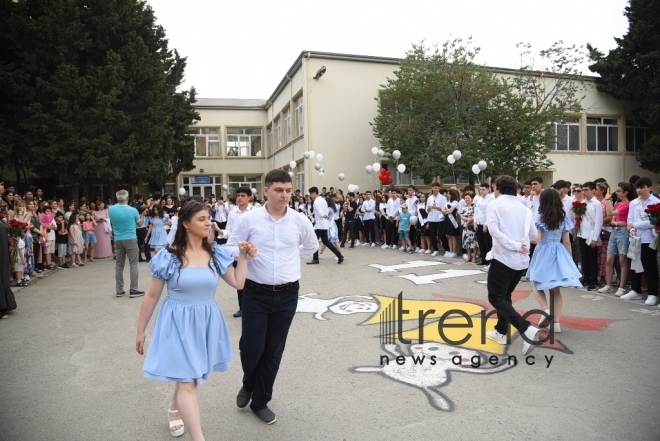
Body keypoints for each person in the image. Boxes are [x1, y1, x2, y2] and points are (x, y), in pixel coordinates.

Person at [136, 201, 254, 441]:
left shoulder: (215, 253)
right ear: (186, 224)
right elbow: (151, 295)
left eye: (209, 218)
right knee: (188, 381)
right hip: (176, 322)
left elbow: (238, 283)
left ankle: (174, 408)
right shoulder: (169, 256)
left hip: (205, 323)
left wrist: (243, 256)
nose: (208, 222)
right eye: (202, 219)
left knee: (189, 376)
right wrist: (141, 331)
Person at [227, 169, 318, 424]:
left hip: (288, 294)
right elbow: (228, 248)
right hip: (256, 293)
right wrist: (243, 249)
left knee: (274, 350)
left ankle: (260, 400)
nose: (285, 195)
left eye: (288, 190)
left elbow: (310, 247)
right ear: (265, 190)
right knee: (251, 348)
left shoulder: (299, 220)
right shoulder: (250, 220)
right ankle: (248, 383)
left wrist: (289, 258)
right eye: (279, 190)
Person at [485, 175, 540, 355]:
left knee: (496, 297)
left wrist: (515, 245)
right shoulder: (524, 208)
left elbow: (494, 231)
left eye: (494, 188)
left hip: (504, 257)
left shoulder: (495, 204)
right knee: (504, 296)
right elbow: (532, 235)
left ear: (498, 188)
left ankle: (525, 328)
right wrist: (520, 244)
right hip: (521, 260)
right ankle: (501, 331)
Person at [527, 190, 582, 333]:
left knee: (537, 284)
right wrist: (569, 261)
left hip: (543, 251)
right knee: (555, 289)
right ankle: (556, 324)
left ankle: (545, 310)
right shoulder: (563, 218)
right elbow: (567, 242)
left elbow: (536, 239)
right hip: (559, 251)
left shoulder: (538, 217)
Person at [216, 187, 256, 318]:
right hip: (238, 251)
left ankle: (255, 306)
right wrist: (220, 231)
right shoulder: (233, 213)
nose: (239, 198)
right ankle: (242, 307)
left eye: (243, 195)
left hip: (252, 250)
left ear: (249, 197)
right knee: (240, 279)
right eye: (238, 195)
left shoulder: (256, 212)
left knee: (255, 279)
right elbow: (230, 232)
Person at [623, 177, 659, 304]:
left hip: (649, 238)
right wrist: (631, 229)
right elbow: (630, 220)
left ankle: (652, 293)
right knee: (634, 265)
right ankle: (635, 290)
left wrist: (635, 225)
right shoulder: (634, 203)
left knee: (650, 266)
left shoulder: (655, 202)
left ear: (649, 188)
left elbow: (652, 222)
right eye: (637, 188)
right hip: (635, 238)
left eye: (642, 187)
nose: (639, 190)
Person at [109, 190, 146, 298]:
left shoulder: (111, 209)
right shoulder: (132, 210)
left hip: (118, 238)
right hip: (130, 238)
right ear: (128, 198)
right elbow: (139, 223)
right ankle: (133, 289)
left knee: (119, 265)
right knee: (133, 264)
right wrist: (142, 215)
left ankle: (119, 290)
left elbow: (112, 221)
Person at [599, 183, 633, 296]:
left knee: (622, 260)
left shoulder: (628, 204)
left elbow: (610, 213)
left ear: (625, 192)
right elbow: (612, 219)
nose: (617, 193)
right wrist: (617, 222)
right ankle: (609, 285)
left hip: (623, 232)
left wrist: (608, 201)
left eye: (619, 191)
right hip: (615, 231)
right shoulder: (618, 203)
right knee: (609, 260)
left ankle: (622, 287)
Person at [577, 182, 603, 291]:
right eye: (583, 190)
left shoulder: (596, 204)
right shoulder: (583, 203)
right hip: (582, 233)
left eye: (586, 190)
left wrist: (595, 238)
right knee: (584, 257)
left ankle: (594, 281)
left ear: (593, 191)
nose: (584, 192)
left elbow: (598, 222)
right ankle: (586, 278)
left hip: (591, 234)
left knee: (592, 259)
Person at [308, 186, 343, 265]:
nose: (310, 195)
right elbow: (326, 209)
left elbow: (320, 213)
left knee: (314, 241)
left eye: (310, 193)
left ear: (314, 193)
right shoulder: (323, 200)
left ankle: (315, 259)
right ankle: (339, 255)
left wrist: (324, 216)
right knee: (326, 241)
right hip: (325, 224)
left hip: (320, 224)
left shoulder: (316, 202)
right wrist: (326, 216)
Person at [0, 217, 18, 319]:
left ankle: (5, 305)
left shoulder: (2, 222)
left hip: (3, 253)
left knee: (3, 277)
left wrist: (10, 239)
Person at [426, 183, 447, 256]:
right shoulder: (429, 198)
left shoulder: (443, 198)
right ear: (432, 188)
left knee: (441, 235)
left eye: (438, 188)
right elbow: (427, 210)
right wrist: (429, 208)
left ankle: (446, 249)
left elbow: (444, 209)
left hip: (439, 218)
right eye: (435, 188)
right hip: (431, 218)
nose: (436, 189)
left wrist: (437, 208)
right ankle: (435, 249)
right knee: (432, 235)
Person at [460, 194, 478, 263]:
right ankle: (469, 256)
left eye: (468, 198)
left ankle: (474, 257)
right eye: (465, 198)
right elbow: (461, 216)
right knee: (467, 242)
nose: (467, 199)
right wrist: (468, 219)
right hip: (466, 226)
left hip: (473, 226)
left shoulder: (475, 207)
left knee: (474, 242)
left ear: (471, 199)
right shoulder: (464, 208)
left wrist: (470, 220)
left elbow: (476, 215)